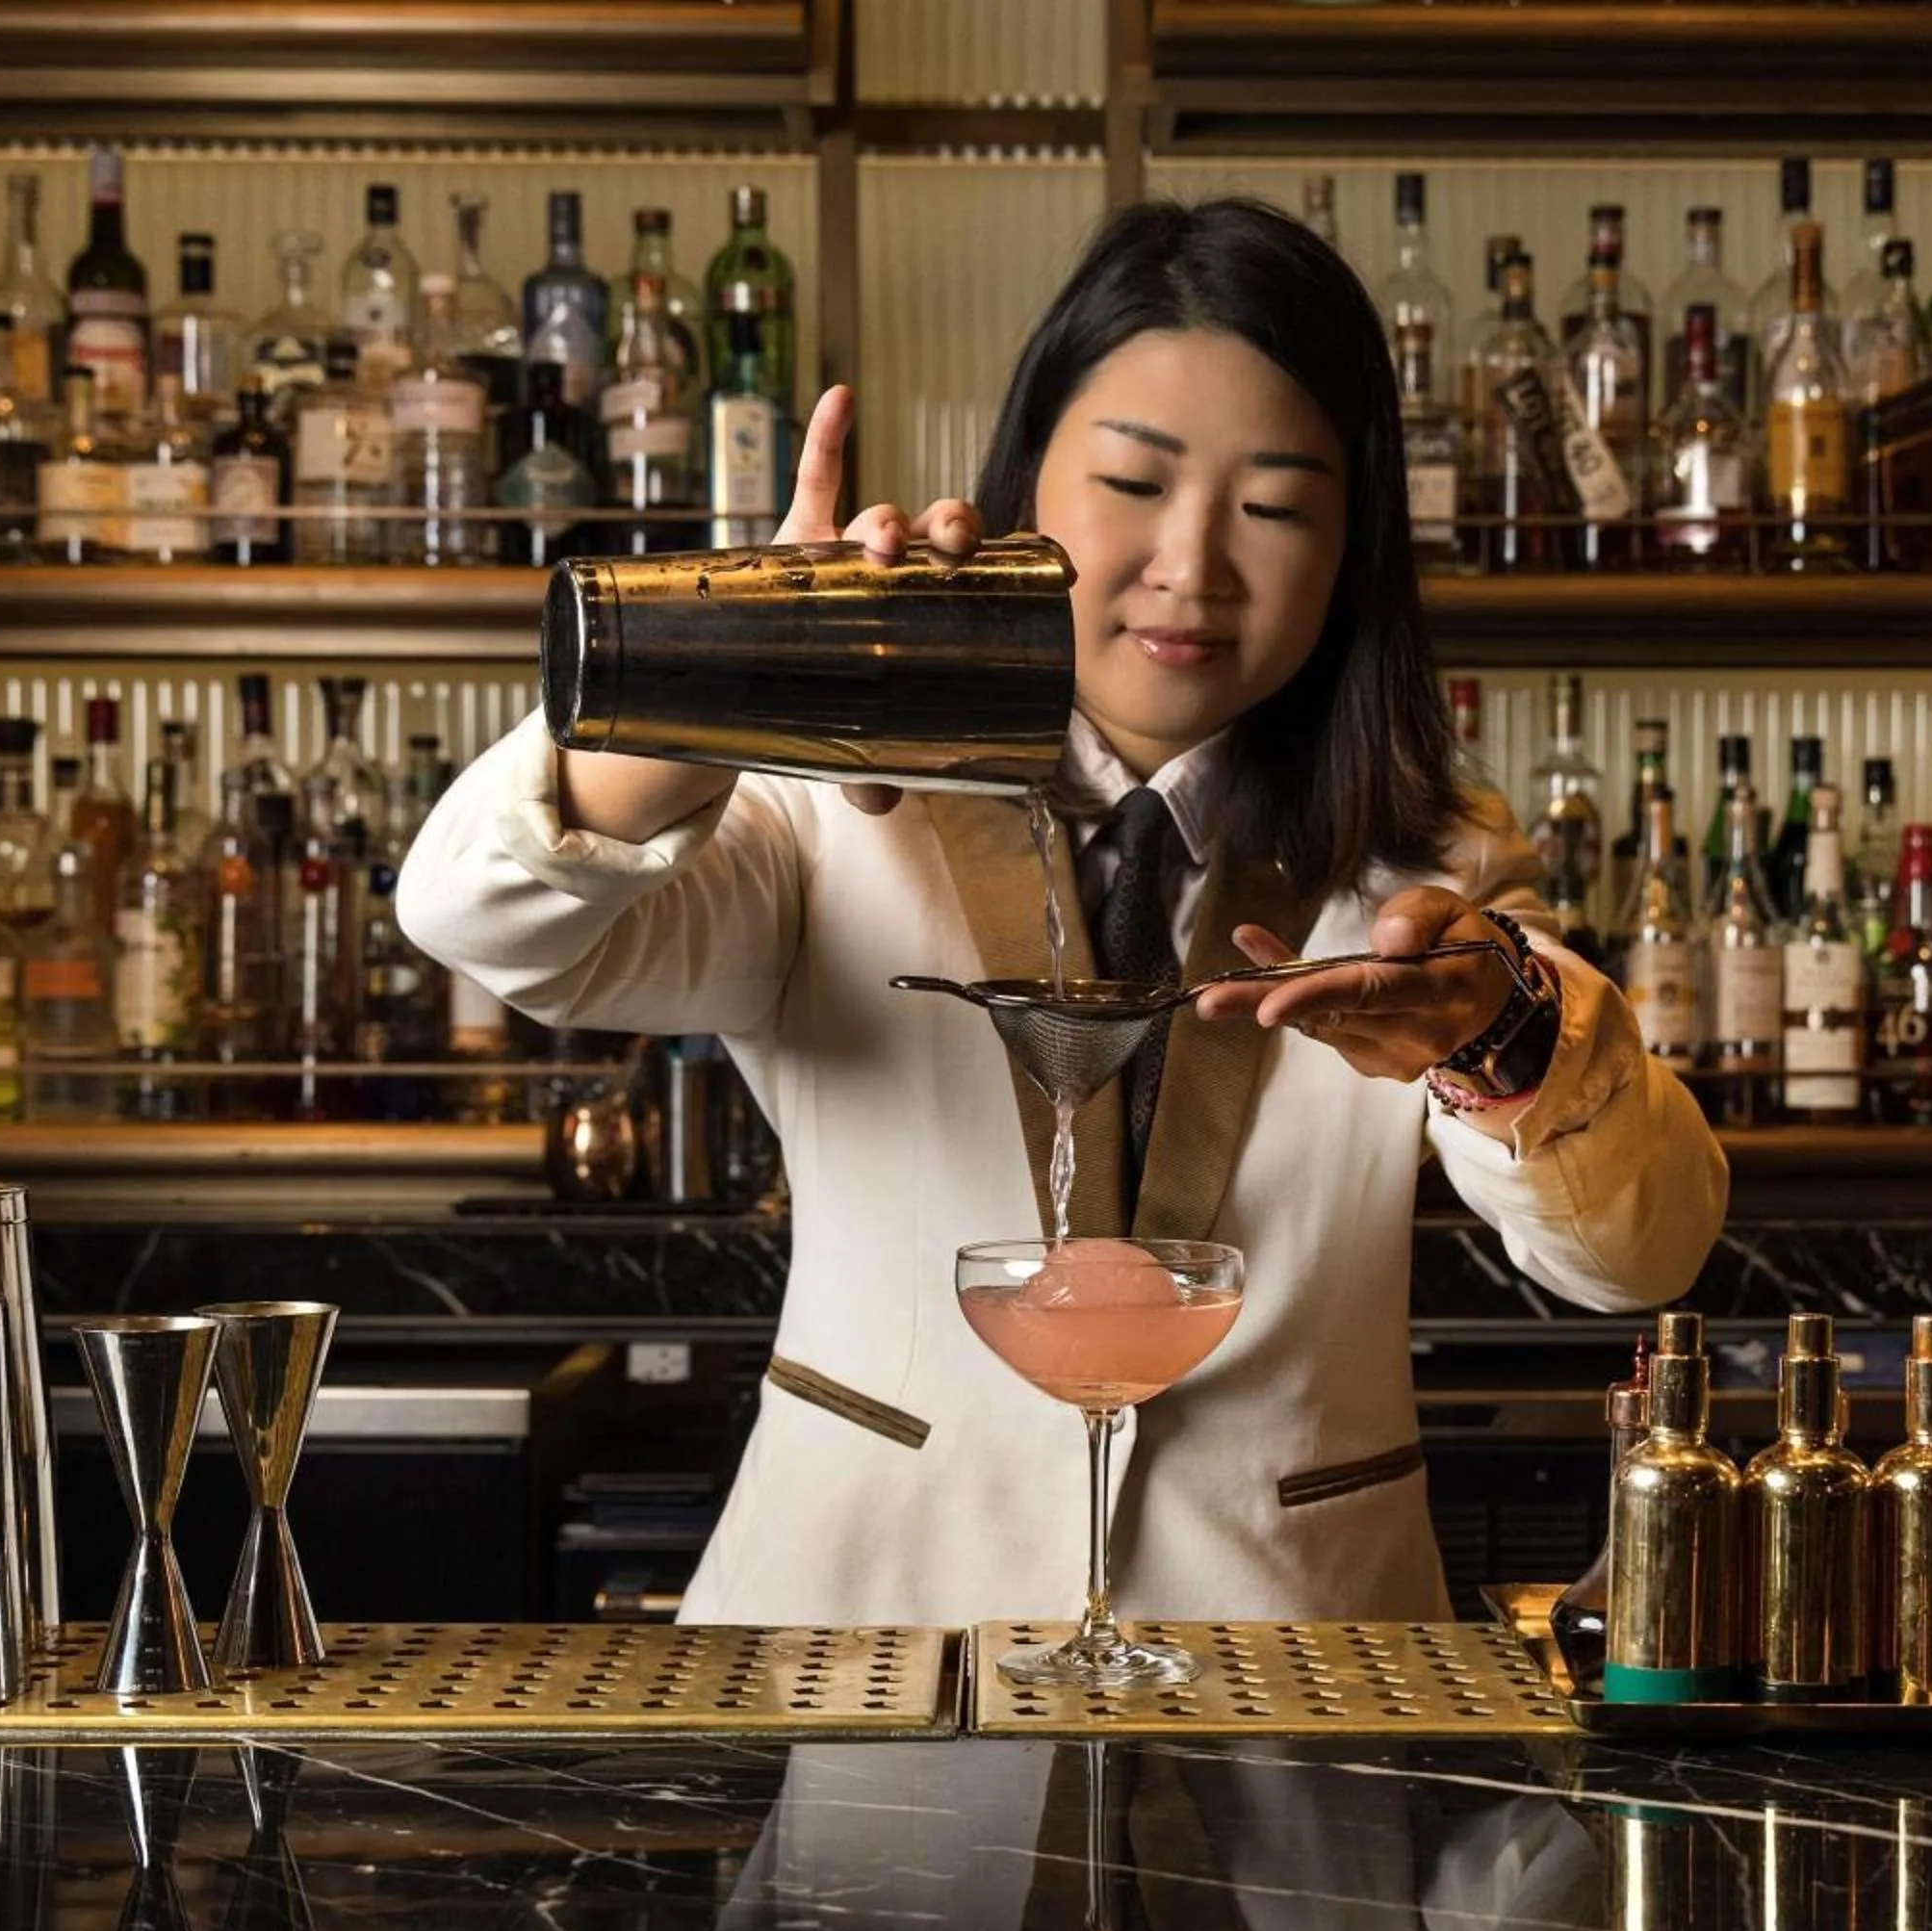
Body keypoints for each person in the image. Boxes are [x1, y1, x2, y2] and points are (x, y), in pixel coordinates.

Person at [397, 197, 1727, 1629]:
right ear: (1030, 474)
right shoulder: (822, 806)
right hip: (869, 1648)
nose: (1194, 564)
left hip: (1287, 1671)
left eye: (1275, 506)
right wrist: (736, 664)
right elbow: (483, 917)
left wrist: (1500, 1034)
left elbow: (1638, 1252)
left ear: (1355, 551)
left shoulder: (1428, 863)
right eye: (1136, 484)